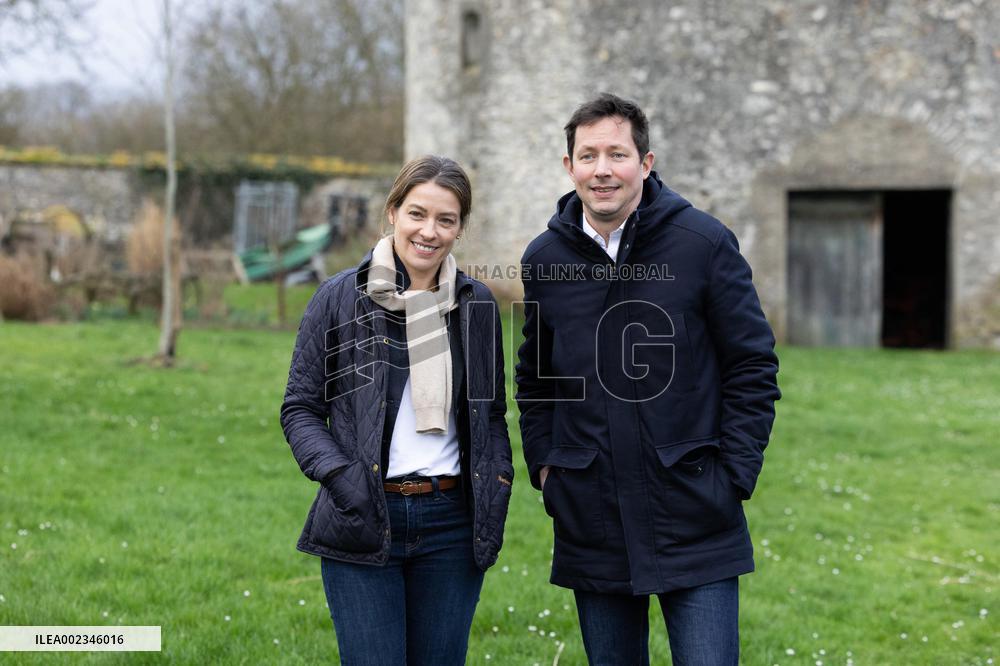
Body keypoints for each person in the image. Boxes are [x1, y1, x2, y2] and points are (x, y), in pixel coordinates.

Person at [515, 93, 780, 665]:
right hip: (592, 516)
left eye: (617, 153)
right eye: (588, 156)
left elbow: (752, 364)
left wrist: (732, 474)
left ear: (646, 162)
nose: (602, 170)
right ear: (569, 168)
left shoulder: (704, 244)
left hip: (696, 508)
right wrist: (547, 468)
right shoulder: (543, 260)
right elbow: (536, 377)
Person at [281, 155, 514, 666]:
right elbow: (300, 408)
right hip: (363, 514)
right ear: (393, 212)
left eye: (445, 220)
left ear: (459, 228)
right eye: (417, 213)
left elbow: (490, 414)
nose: (429, 231)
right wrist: (343, 478)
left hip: (452, 522)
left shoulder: (476, 306)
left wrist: (497, 484)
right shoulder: (340, 299)